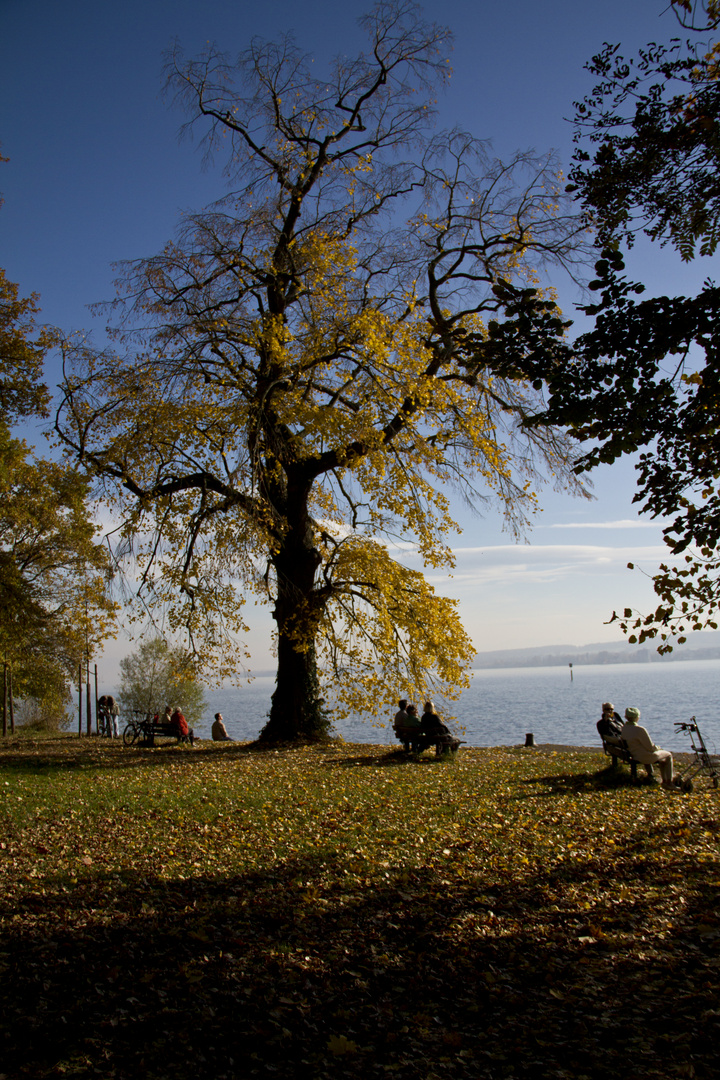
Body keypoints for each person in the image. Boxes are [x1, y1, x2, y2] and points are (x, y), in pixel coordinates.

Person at [621, 706, 675, 788]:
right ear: (637, 717)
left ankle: (664, 781)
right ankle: (668, 782)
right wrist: (658, 748)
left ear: (626, 717)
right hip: (645, 757)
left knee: (662, 757)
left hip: (633, 754)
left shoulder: (624, 728)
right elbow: (650, 747)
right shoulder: (640, 730)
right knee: (668, 755)